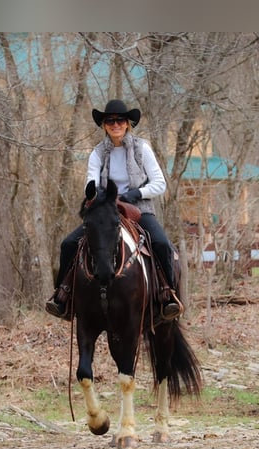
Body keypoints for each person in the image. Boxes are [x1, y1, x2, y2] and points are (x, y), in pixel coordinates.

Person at [45, 99, 183, 322]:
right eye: (110, 121)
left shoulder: (141, 148)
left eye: (120, 120)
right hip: (105, 211)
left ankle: (167, 296)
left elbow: (160, 183)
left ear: (128, 123)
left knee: (161, 244)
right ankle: (62, 296)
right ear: (104, 125)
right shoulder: (97, 153)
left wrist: (136, 193)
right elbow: (90, 182)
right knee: (68, 244)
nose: (115, 124)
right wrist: (99, 195)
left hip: (139, 209)